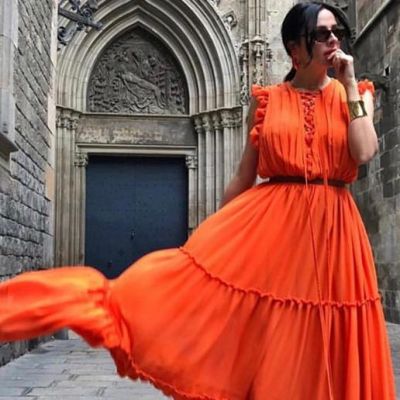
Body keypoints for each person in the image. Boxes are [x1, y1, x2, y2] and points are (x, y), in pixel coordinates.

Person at [0, 2, 396, 399]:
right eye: (322, 34)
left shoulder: (355, 95)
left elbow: (363, 152)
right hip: (276, 238)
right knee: (282, 335)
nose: (334, 40)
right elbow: (243, 177)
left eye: (338, 33)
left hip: (335, 233)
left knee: (333, 333)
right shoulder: (268, 102)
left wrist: (349, 85)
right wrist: (214, 242)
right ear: (295, 47)